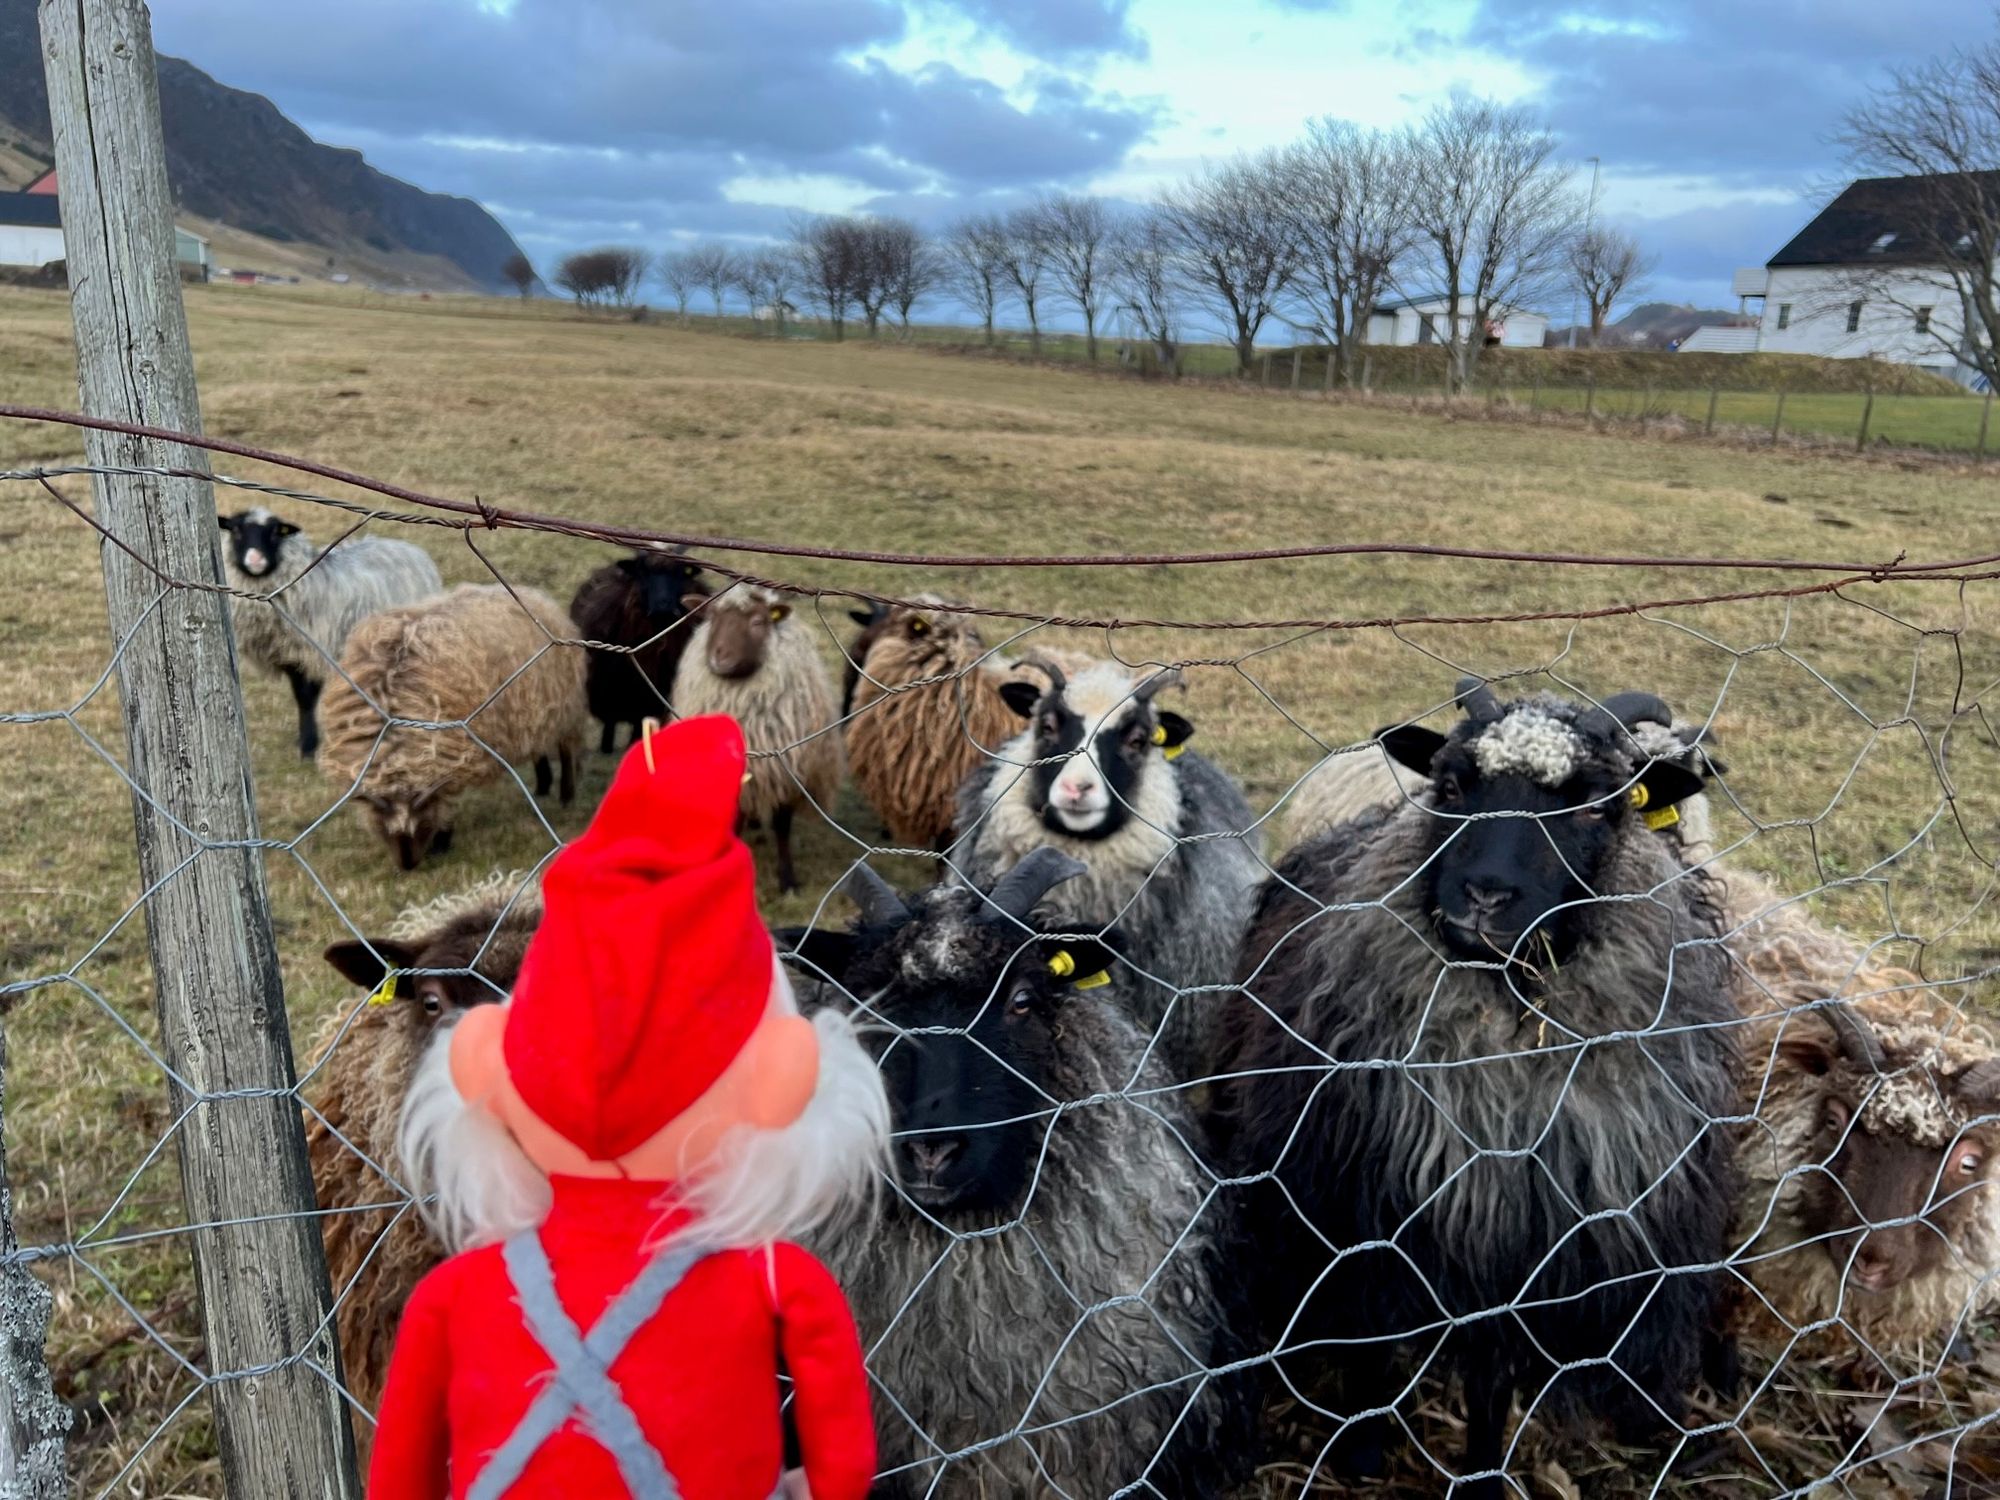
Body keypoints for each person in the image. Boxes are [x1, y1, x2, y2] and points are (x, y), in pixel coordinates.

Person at [369, 714, 887, 1500]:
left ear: (482, 1063)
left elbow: (398, 1479)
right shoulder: (779, 1278)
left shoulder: (452, 1292)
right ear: (783, 1076)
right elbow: (843, 1469)